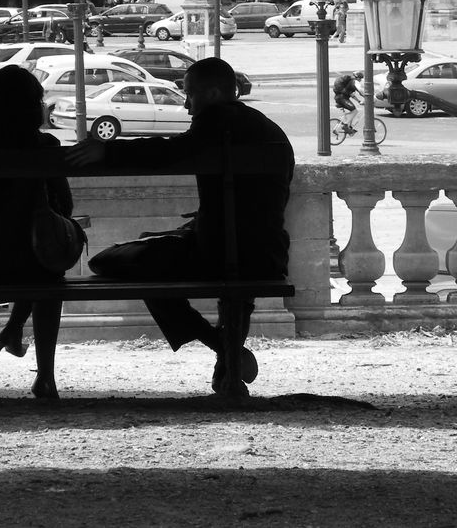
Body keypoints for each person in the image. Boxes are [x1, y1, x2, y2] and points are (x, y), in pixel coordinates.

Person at [68, 57, 294, 394]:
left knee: (116, 263)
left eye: (190, 94)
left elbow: (169, 152)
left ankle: (221, 347)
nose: (186, 105)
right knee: (238, 285)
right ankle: (227, 371)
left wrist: (107, 152)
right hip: (266, 255)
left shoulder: (216, 120)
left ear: (214, 93)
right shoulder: (267, 128)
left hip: (214, 254)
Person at [0, 65, 72, 399]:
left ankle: (14, 328)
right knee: (47, 270)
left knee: (28, 256)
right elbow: (64, 205)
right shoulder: (44, 146)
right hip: (34, 259)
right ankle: (45, 375)